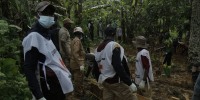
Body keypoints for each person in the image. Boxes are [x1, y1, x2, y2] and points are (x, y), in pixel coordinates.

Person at [22, 1, 73, 100]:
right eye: (45, 13)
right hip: (46, 86)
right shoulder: (33, 36)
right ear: (37, 15)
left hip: (56, 83)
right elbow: (29, 68)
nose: (49, 16)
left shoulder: (47, 33)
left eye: (51, 13)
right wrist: (39, 95)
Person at [94, 27, 137, 100]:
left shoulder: (98, 47)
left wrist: (98, 79)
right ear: (114, 34)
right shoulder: (114, 46)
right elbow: (118, 66)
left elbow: (96, 65)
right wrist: (129, 82)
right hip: (116, 82)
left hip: (105, 82)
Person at [70, 27, 86, 98]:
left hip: (74, 63)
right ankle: (78, 94)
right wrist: (80, 64)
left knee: (77, 79)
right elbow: (76, 53)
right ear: (80, 34)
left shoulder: (74, 40)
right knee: (78, 80)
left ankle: (78, 93)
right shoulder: (77, 41)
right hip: (77, 64)